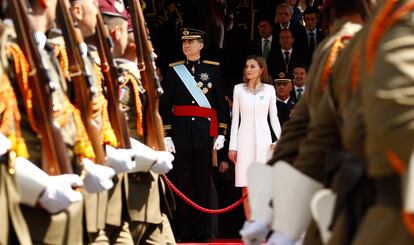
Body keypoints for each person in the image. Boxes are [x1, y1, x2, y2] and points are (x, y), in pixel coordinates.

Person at [240, 0, 365, 244]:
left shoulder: (334, 47)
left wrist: (273, 211)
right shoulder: (356, 46)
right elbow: (308, 130)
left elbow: (302, 133)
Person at [160, 27, 229, 242]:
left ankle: (202, 232)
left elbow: (220, 104)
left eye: (191, 42)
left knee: (202, 185)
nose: (186, 45)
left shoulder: (213, 70)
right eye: (184, 42)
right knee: (182, 184)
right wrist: (167, 134)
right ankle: (183, 231)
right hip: (180, 136)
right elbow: (165, 105)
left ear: (201, 44)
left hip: (204, 136)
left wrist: (222, 133)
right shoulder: (173, 71)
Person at [228, 55, 282, 220]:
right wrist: (232, 146)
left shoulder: (270, 90)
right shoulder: (238, 89)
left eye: (252, 66)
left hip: (264, 142)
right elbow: (235, 119)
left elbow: (274, 118)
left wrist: (280, 140)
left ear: (261, 70)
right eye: (246, 66)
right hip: (243, 141)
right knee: (246, 186)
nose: (248, 69)